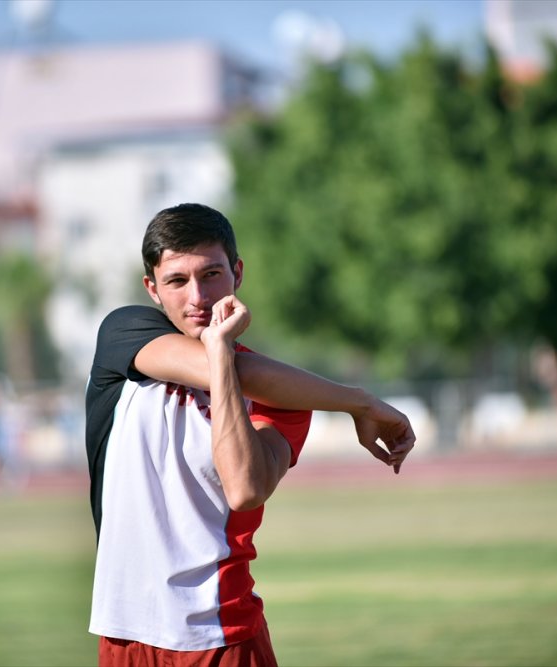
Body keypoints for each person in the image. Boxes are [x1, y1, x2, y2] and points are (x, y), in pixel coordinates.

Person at [86, 203, 415, 666]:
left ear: (237, 273)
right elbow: (230, 370)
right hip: (125, 638)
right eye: (177, 281)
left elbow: (244, 489)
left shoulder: (286, 398)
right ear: (152, 289)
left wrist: (220, 348)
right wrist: (357, 401)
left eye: (211, 274)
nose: (197, 296)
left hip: (225, 636)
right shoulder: (124, 335)